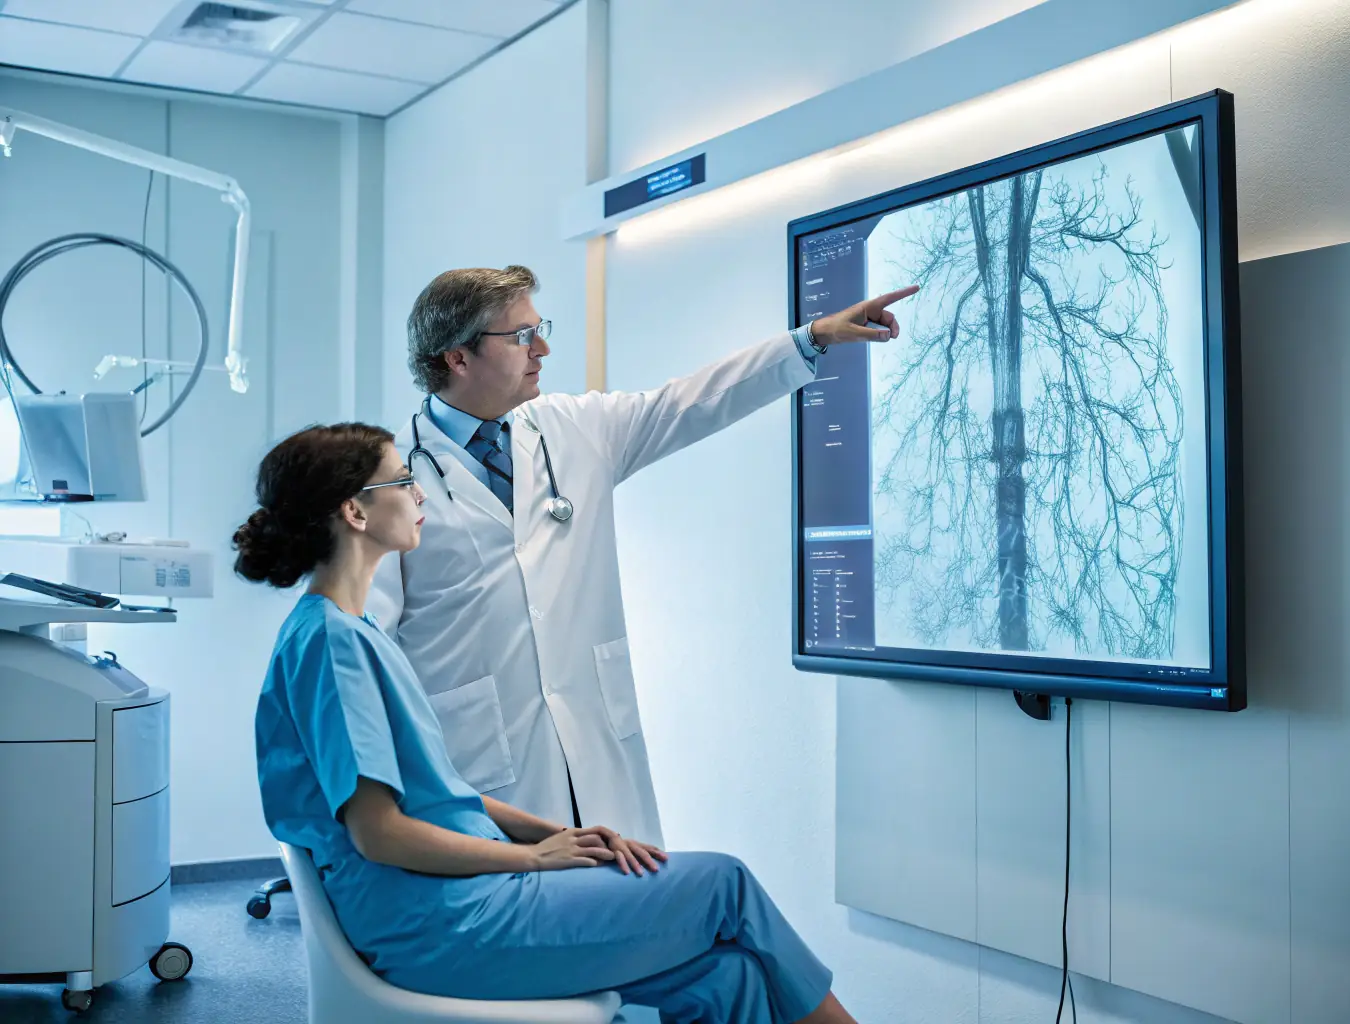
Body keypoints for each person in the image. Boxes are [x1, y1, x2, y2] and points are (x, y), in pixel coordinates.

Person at [236, 423, 863, 1023]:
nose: (421, 491)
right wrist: (536, 861)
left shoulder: (352, 631)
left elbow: (432, 792)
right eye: (403, 481)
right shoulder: (330, 645)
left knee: (730, 978)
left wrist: (562, 834)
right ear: (356, 512)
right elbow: (380, 835)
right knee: (724, 882)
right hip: (443, 921)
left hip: (456, 901)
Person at [369, 265, 918, 846]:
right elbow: (368, 635)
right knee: (525, 917)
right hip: (479, 762)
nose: (543, 348)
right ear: (458, 358)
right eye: (523, 336)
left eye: (540, 328)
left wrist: (813, 338)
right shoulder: (389, 477)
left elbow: (693, 401)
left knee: (623, 906)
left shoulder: (575, 428)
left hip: (595, 736)